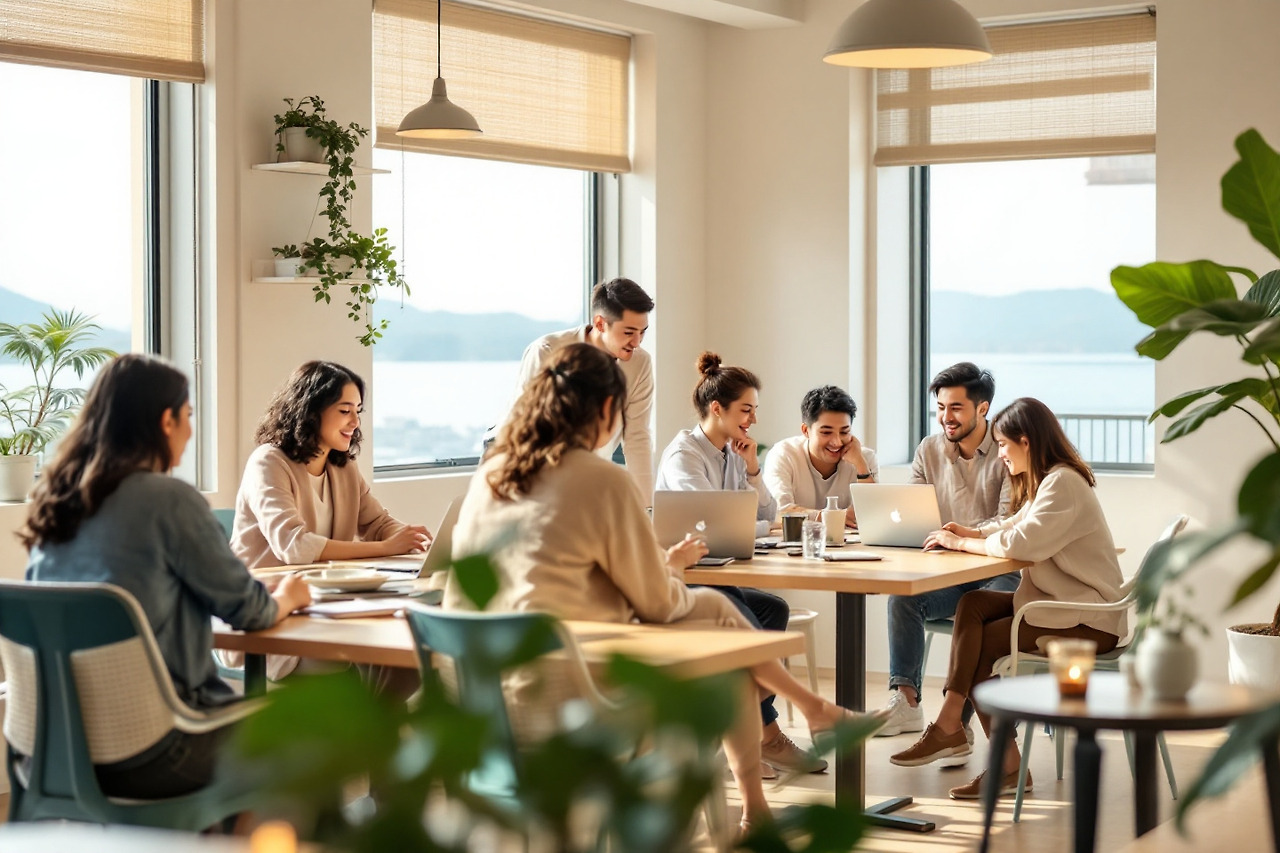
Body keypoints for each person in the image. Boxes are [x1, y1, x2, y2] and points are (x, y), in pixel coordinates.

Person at [446, 343, 879, 832]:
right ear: (608, 409)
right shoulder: (602, 480)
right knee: (723, 634)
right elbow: (657, 602)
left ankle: (770, 784)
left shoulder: (490, 477)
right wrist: (669, 569)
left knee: (720, 621)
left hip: (484, 701)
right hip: (575, 696)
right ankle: (792, 741)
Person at [21, 354, 312, 800]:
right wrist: (287, 596)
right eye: (189, 416)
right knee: (308, 739)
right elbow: (250, 612)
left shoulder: (56, 501)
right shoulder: (169, 500)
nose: (191, 431)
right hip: (156, 746)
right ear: (166, 420)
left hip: (51, 747)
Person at [888, 397, 1126, 801]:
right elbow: (1012, 525)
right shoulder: (1049, 482)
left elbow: (1024, 543)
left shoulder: (1063, 483)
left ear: (1026, 441)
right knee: (974, 604)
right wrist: (972, 533)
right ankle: (952, 725)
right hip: (1059, 607)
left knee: (982, 650)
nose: (999, 455)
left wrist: (960, 543)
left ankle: (1001, 761)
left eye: (1002, 445)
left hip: (1085, 620)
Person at [655, 353, 819, 777]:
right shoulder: (684, 456)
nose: (753, 420)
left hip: (718, 572)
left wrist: (751, 468)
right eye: (745, 410)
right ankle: (761, 737)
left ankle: (755, 732)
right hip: (687, 578)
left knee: (773, 609)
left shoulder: (731, 454)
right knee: (746, 626)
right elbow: (721, 524)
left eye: (754, 411)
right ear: (717, 409)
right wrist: (758, 522)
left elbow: (768, 513)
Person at [232, 361, 430, 683]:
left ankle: (370, 731)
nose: (355, 421)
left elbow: (378, 522)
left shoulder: (343, 468)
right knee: (349, 674)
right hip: (274, 620)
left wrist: (411, 538)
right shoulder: (268, 462)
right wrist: (386, 546)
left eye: (358, 411)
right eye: (344, 410)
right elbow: (295, 547)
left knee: (410, 663)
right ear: (312, 411)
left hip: (331, 610)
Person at [878, 362, 1019, 741]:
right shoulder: (929, 449)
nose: (945, 417)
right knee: (903, 600)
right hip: (949, 573)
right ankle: (905, 702)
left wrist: (962, 536)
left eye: (955, 407)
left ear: (983, 409)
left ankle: (960, 721)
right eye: (940, 407)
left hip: (998, 570)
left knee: (981, 614)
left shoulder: (1007, 451)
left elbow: (1008, 521)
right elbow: (912, 509)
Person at [504, 277, 656, 502]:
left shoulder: (639, 363)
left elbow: (637, 437)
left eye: (642, 332)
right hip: (531, 471)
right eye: (629, 332)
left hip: (588, 474)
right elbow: (524, 428)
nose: (637, 342)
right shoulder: (547, 352)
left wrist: (647, 508)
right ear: (601, 323)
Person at [763, 385, 878, 527]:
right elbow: (778, 512)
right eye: (826, 432)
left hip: (849, 545)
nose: (837, 442)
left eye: (844, 432)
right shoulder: (784, 454)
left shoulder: (864, 457)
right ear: (806, 430)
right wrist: (825, 517)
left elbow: (874, 514)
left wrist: (861, 466)